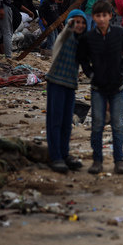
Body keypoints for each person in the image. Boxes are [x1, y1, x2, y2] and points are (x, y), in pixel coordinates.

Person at [77, 0, 123, 175]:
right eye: (98, 16)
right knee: (97, 125)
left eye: (104, 15)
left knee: (117, 124)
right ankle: (97, 160)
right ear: (93, 17)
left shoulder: (119, 33)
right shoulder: (88, 37)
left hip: (117, 88)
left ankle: (119, 161)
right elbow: (83, 58)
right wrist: (91, 74)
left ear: (110, 16)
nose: (101, 19)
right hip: (97, 88)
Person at [44, 9, 87, 173]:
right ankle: (55, 157)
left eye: (83, 22)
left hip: (71, 85)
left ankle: (64, 153)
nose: (80, 25)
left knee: (66, 122)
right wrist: (69, 25)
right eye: (76, 22)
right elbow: (63, 34)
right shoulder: (64, 37)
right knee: (55, 121)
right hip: (56, 82)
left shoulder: (82, 42)